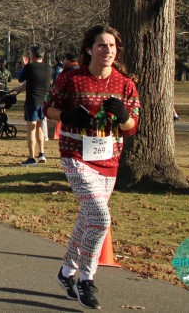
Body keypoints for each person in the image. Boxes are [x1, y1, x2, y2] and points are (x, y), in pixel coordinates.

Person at [44, 24, 140, 309]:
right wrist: (68, 116)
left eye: (112, 46)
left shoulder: (125, 84)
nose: (107, 50)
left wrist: (123, 116)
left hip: (108, 160)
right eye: (101, 45)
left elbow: (132, 126)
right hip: (76, 155)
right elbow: (48, 108)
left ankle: (65, 273)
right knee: (99, 217)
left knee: (87, 218)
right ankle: (86, 279)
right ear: (89, 49)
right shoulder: (72, 79)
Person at [16, 46, 52, 165]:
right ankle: (42, 154)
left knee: (31, 129)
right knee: (40, 128)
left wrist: (24, 66)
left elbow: (20, 78)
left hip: (32, 101)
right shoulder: (49, 68)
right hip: (44, 102)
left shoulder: (30, 67)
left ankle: (31, 158)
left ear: (33, 56)